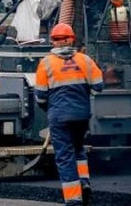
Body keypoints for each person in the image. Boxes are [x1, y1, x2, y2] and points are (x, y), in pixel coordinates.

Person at [35, 23, 104, 206]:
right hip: (82, 115)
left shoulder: (46, 63)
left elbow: (40, 97)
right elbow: (98, 86)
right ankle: (84, 183)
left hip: (59, 116)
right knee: (78, 148)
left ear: (53, 41)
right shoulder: (85, 60)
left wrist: (49, 110)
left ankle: (74, 199)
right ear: (72, 39)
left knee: (65, 156)